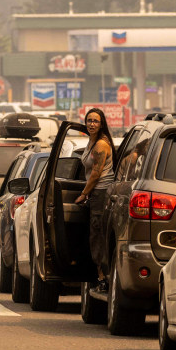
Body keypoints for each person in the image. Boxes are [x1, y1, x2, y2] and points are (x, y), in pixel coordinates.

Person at [74, 108, 116, 290]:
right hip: (96, 193)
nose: (92, 124)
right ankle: (100, 275)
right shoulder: (91, 142)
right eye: (89, 120)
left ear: (102, 124)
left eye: (95, 121)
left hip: (101, 192)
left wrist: (84, 193)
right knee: (94, 235)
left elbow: (96, 173)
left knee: (98, 235)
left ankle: (103, 278)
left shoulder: (101, 145)